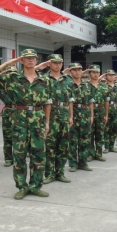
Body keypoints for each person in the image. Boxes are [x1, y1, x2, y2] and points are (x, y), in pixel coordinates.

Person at [0, 49, 52, 200]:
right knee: (19, 155)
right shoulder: (12, 78)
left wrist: (47, 123)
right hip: (19, 121)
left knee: (38, 155)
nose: (30, 60)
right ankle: (22, 187)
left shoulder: (45, 80)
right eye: (26, 58)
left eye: (33, 58)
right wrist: (8, 63)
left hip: (38, 120)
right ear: (21, 61)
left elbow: (48, 102)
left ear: (36, 60)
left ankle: (35, 186)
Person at [34, 54, 74, 184]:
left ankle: (60, 173)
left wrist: (71, 116)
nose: (58, 65)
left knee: (63, 146)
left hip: (64, 114)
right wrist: (39, 67)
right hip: (50, 116)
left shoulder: (68, 79)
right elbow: (28, 75)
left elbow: (71, 100)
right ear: (49, 64)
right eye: (55, 62)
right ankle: (50, 174)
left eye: (60, 63)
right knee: (50, 146)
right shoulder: (43, 79)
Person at [67, 63, 95, 172]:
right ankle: (73, 163)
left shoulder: (87, 85)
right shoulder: (68, 85)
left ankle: (83, 162)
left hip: (85, 114)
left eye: (79, 69)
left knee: (85, 140)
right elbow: (68, 101)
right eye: (74, 70)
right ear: (70, 72)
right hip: (73, 113)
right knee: (72, 141)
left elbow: (91, 101)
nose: (77, 72)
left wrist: (92, 115)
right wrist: (70, 116)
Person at [0, 65, 18, 167]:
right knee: (7, 137)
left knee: (21, 137)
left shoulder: (20, 84)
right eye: (9, 73)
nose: (11, 76)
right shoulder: (1, 85)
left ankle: (20, 156)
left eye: (13, 74)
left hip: (20, 112)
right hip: (8, 112)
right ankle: (8, 158)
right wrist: (1, 74)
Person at [87, 64, 109, 162]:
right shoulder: (86, 86)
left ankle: (99, 153)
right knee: (90, 133)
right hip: (89, 112)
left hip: (101, 110)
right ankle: (91, 153)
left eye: (97, 73)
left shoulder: (104, 87)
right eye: (93, 72)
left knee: (100, 133)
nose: (96, 74)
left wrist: (106, 114)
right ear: (89, 73)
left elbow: (106, 102)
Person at [101, 70, 117, 153]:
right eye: (109, 75)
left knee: (114, 128)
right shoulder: (103, 86)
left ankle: (112, 146)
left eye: (113, 75)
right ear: (106, 76)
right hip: (106, 109)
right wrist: (102, 76)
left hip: (115, 109)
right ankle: (106, 146)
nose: (111, 77)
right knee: (106, 129)